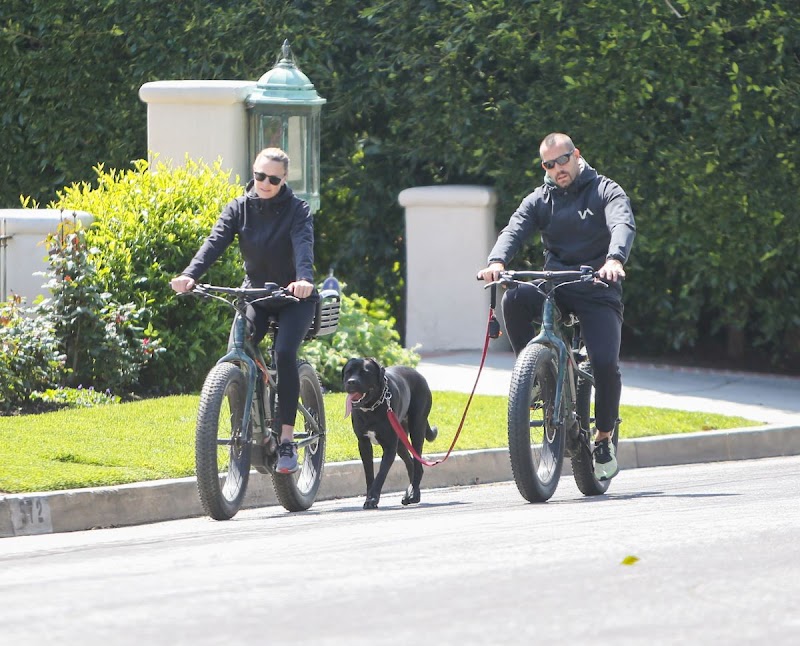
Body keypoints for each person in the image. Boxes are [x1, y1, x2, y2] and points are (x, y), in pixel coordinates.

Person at [477, 133, 635, 481]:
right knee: (514, 297)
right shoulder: (540, 199)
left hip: (597, 287)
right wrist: (497, 260)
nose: (557, 169)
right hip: (556, 286)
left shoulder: (604, 190)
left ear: (576, 154)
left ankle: (604, 438)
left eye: (562, 160)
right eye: (549, 164)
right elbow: (515, 227)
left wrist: (614, 258)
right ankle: (535, 377)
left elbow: (621, 222)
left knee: (606, 364)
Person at [170, 147, 316, 474]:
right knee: (240, 344)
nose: (264, 183)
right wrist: (190, 275)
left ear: (283, 179)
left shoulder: (297, 210)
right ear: (253, 172)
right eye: (259, 175)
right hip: (257, 294)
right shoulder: (239, 208)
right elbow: (215, 242)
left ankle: (287, 440)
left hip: (295, 298)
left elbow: (303, 246)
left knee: (284, 353)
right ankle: (252, 421)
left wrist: (304, 279)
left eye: (273, 178)